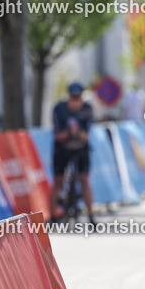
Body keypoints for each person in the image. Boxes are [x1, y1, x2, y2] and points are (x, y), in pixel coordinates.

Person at [50, 82, 95, 225]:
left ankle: (91, 215)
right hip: (62, 148)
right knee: (58, 181)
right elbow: (57, 135)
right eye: (73, 98)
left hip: (80, 148)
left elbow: (86, 134)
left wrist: (78, 133)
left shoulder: (87, 109)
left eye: (78, 98)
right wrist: (69, 132)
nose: (75, 101)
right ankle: (52, 215)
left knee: (84, 179)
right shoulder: (59, 109)